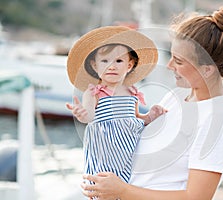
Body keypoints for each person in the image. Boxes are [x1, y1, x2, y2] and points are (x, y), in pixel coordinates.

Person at [81, 6, 223, 200]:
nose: (169, 66)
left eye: (178, 61)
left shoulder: (219, 118)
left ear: (207, 70)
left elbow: (197, 197)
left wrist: (122, 191)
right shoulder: (176, 97)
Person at [65, 26, 167, 185]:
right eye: (104, 61)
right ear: (94, 65)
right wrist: (81, 113)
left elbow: (136, 118)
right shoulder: (94, 93)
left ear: (129, 65)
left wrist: (150, 116)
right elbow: (89, 116)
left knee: (128, 184)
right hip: (106, 151)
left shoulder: (131, 91)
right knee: (106, 184)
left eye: (119, 61)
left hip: (129, 149)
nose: (111, 66)